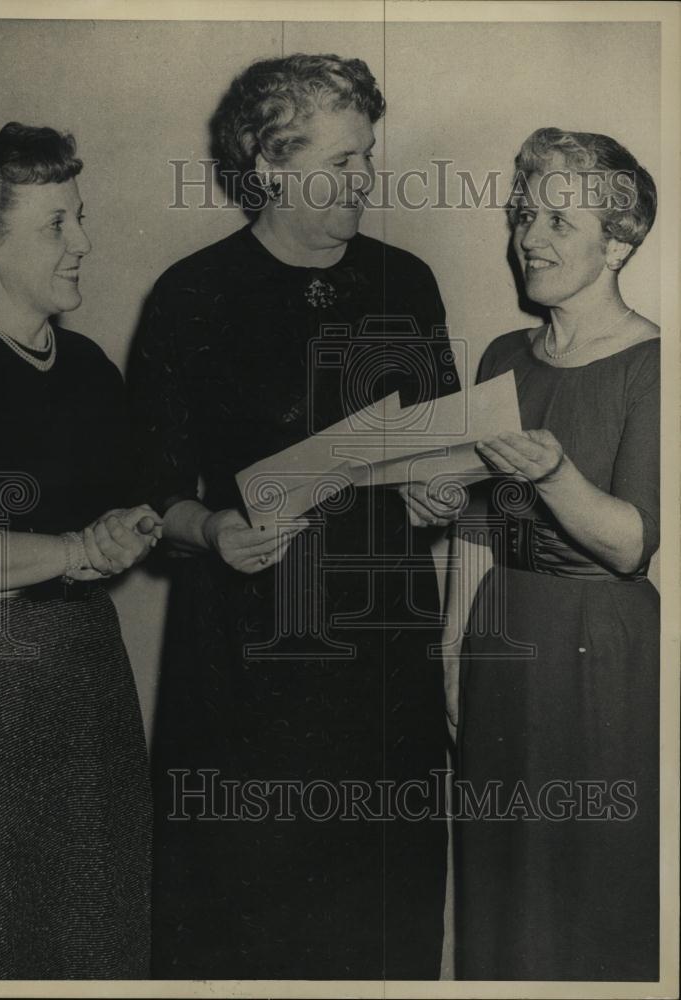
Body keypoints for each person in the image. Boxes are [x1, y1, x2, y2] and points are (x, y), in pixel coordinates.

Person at [129, 53, 460, 980]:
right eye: (342, 161)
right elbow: (152, 486)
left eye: (367, 157)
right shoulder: (192, 295)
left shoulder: (406, 282)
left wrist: (438, 489)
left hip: (381, 651)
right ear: (271, 165)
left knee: (382, 914)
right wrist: (210, 530)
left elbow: (438, 449)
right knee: (248, 912)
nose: (365, 180)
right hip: (246, 656)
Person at [0, 122, 161, 979]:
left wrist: (131, 527)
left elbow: (123, 499)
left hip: (85, 667)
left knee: (94, 924)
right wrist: (71, 549)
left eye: (78, 218)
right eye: (56, 225)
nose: (84, 243)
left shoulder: (87, 366)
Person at [438, 127, 659, 980]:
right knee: (497, 881)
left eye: (559, 222)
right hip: (502, 640)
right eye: (523, 215)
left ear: (618, 241)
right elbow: (474, 522)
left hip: (600, 654)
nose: (528, 238)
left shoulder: (653, 365)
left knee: (592, 883)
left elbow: (633, 544)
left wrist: (558, 475)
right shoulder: (501, 356)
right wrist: (452, 647)